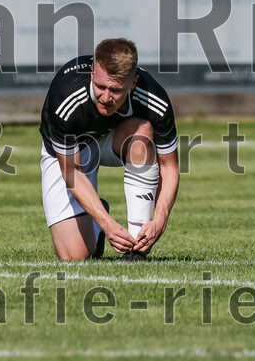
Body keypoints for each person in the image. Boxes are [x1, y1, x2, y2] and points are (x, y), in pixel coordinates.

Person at [39, 38, 179, 261]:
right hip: (72, 151)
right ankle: (97, 221)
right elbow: (72, 172)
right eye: (101, 86)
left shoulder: (154, 99)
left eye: (115, 90)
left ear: (133, 83)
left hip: (114, 139)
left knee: (141, 134)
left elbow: (169, 167)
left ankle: (136, 249)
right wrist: (107, 223)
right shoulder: (66, 97)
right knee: (74, 257)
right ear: (93, 72)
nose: (106, 97)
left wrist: (160, 219)